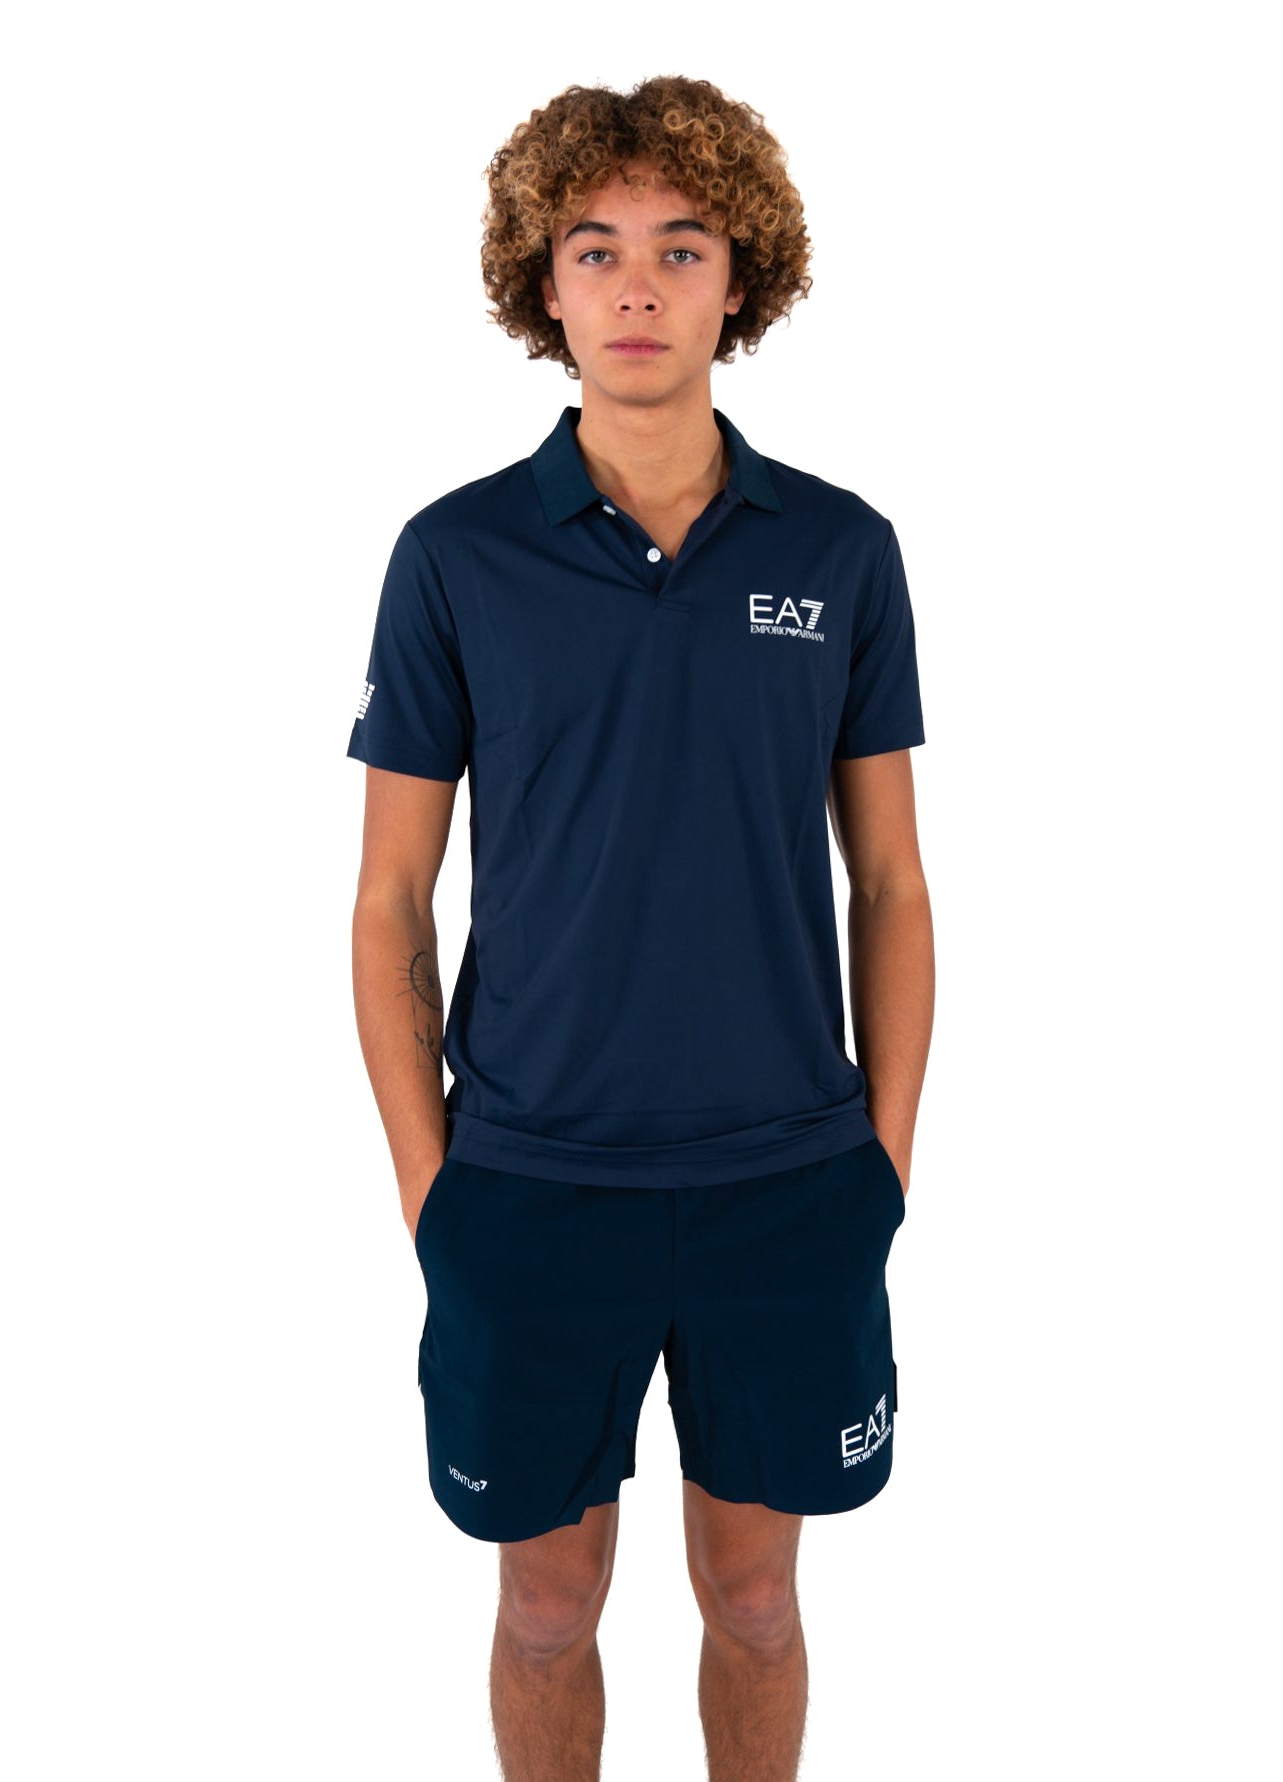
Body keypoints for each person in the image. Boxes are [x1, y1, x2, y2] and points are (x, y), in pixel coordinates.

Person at [347, 73, 933, 1782]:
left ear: (742, 279)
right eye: (595, 248)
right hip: (531, 1183)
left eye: (682, 247)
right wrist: (433, 1186)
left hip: (787, 1177)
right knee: (545, 1608)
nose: (638, 286)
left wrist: (884, 1161)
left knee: (754, 1598)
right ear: (543, 283)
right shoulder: (455, 557)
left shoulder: (842, 550)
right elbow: (388, 896)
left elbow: (893, 881)